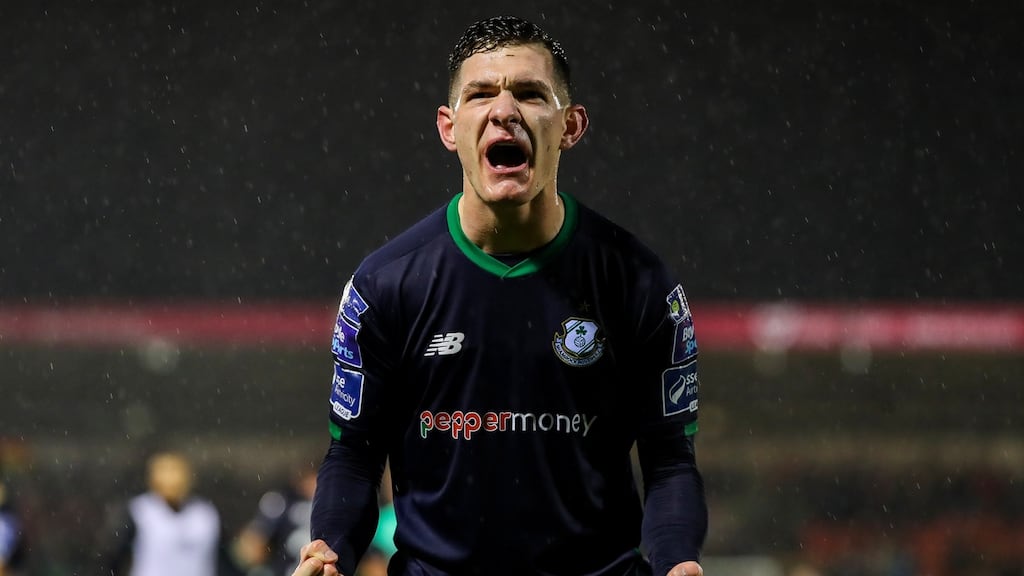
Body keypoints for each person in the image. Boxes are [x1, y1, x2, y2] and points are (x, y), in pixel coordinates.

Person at [294, 15, 707, 576]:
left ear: (571, 126)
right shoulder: (384, 285)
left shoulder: (642, 283)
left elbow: (669, 461)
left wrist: (678, 561)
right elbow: (354, 453)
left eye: (532, 94)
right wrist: (331, 547)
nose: (504, 110)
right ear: (448, 127)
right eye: (481, 93)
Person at [100, 451, 238, 576]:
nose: (172, 479)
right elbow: (114, 559)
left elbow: (224, 559)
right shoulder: (140, 512)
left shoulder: (205, 515)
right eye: (165, 471)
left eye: (177, 471)